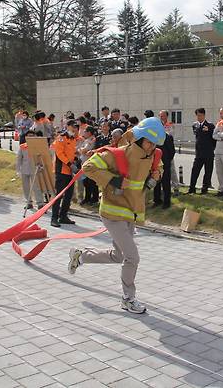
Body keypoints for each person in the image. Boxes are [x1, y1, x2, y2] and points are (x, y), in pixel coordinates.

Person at [70, 116, 165, 314]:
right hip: (112, 213)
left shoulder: (154, 155)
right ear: (139, 139)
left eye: (154, 143)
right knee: (133, 257)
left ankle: (81, 256)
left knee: (118, 256)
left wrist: (156, 175)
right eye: (148, 142)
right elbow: (88, 167)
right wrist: (113, 180)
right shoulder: (117, 154)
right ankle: (128, 299)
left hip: (131, 212)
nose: (151, 147)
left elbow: (159, 167)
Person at [51, 119, 80, 227]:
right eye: (73, 126)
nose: (75, 128)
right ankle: (54, 218)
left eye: (76, 127)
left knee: (68, 195)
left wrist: (76, 160)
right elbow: (60, 154)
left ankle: (63, 216)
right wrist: (70, 164)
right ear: (67, 126)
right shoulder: (61, 138)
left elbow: (71, 153)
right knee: (59, 195)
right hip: (61, 171)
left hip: (69, 171)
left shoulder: (73, 139)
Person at [187, 108, 216, 194]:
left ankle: (204, 189)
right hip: (199, 153)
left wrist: (209, 131)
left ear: (204, 115)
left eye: (200, 115)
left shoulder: (210, 126)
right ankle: (192, 188)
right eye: (197, 115)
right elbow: (197, 137)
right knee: (195, 171)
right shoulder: (195, 125)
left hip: (208, 153)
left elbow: (214, 139)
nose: (199, 117)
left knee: (208, 172)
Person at [16, 131, 45, 210]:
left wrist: (42, 166)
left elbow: (42, 157)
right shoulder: (22, 147)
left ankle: (40, 203)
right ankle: (28, 202)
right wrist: (18, 170)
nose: (30, 137)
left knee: (36, 187)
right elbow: (19, 159)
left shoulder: (37, 146)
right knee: (26, 187)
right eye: (28, 136)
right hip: (25, 169)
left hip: (35, 169)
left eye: (32, 136)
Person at [159, 110, 180, 197]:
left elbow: (169, 134)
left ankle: (176, 188)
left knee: (171, 169)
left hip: (168, 150)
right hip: (160, 149)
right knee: (160, 170)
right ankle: (162, 188)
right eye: (160, 116)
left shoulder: (170, 124)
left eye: (163, 116)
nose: (161, 117)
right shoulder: (158, 125)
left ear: (166, 116)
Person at [154, 124, 175, 208]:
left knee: (166, 183)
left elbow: (172, 151)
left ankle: (167, 202)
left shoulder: (168, 137)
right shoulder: (154, 137)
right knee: (156, 182)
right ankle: (157, 200)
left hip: (165, 163)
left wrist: (167, 161)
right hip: (156, 163)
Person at [78, 126, 99, 205]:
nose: (84, 133)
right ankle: (87, 198)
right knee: (86, 182)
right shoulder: (86, 140)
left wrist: (81, 150)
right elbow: (80, 149)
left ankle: (94, 199)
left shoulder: (92, 140)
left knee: (92, 182)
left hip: (90, 164)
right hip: (85, 163)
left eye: (85, 132)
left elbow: (84, 150)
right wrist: (81, 150)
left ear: (89, 132)